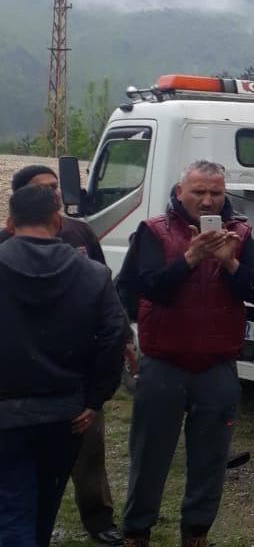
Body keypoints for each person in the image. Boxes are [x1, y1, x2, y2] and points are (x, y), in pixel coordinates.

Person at [118, 160, 254, 547]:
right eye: (199, 192)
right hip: (163, 363)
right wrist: (190, 259)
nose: (207, 201)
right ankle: (137, 532)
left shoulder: (239, 232)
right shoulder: (153, 231)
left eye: (215, 193)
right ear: (179, 192)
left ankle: (196, 533)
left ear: (225, 195)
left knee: (210, 460)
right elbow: (148, 288)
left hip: (217, 365)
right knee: (150, 457)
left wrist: (230, 263)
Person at [0, 164, 125, 546]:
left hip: (5, 413)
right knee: (45, 501)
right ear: (57, 220)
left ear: (9, 220)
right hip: (67, 412)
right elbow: (114, 334)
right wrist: (95, 397)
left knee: (12, 503)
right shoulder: (92, 274)